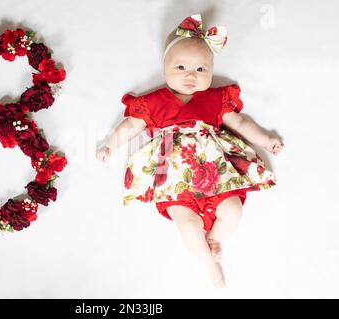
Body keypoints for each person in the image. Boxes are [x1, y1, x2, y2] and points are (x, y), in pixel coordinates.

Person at [96, 14, 284, 287]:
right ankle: (210, 264)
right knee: (187, 225)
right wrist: (110, 145)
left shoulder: (214, 98)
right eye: (181, 67)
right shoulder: (154, 102)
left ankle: (215, 238)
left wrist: (266, 140)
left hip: (218, 177)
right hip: (173, 180)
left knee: (233, 211)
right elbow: (130, 126)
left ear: (210, 71)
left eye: (200, 70)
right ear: (164, 68)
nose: (190, 76)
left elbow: (241, 123)